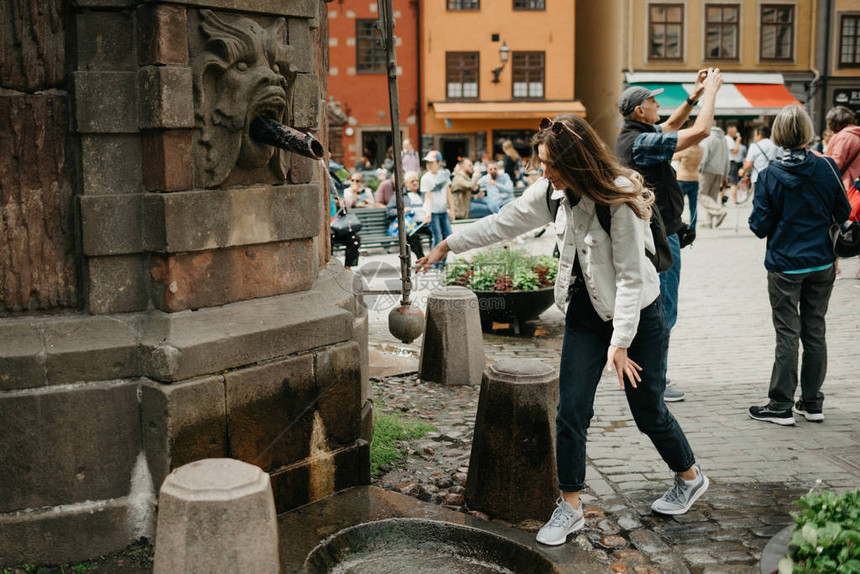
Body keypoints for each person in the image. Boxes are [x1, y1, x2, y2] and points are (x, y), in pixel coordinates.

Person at [416, 115, 708, 545]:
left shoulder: (619, 199)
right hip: (586, 314)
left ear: (576, 161)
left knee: (648, 413)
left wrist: (621, 343)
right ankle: (570, 507)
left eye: (550, 163)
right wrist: (449, 243)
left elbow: (630, 277)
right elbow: (503, 221)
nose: (543, 171)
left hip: (639, 317)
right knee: (571, 411)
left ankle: (690, 475)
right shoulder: (551, 194)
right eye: (542, 162)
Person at [615, 68, 724, 403]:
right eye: (653, 101)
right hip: (660, 237)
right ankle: (654, 383)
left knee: (658, 306)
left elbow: (673, 125)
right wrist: (713, 93)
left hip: (658, 233)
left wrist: (693, 95)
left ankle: (647, 376)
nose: (658, 106)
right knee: (664, 309)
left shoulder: (639, 134)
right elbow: (701, 130)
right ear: (639, 111)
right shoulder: (641, 142)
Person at [748, 105, 850, 426]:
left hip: (785, 264)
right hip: (821, 261)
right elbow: (843, 210)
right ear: (808, 131)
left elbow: (758, 225)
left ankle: (780, 405)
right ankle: (812, 402)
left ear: (778, 134)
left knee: (787, 333)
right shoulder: (828, 167)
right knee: (815, 330)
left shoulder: (769, 175)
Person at [385, 170, 432, 261]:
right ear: (406, 183)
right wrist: (402, 211)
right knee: (411, 234)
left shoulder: (423, 194)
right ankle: (421, 258)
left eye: (417, 180)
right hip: (410, 225)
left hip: (425, 223)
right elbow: (389, 212)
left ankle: (435, 258)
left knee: (438, 231)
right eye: (412, 181)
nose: (415, 183)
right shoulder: (399, 195)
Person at [420, 150, 455, 267]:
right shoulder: (426, 178)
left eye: (432, 162)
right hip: (433, 212)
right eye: (427, 162)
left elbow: (448, 193)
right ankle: (434, 263)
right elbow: (428, 197)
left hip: (443, 211)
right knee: (437, 237)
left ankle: (442, 262)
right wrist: (428, 213)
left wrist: (452, 210)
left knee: (449, 237)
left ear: (439, 163)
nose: (429, 164)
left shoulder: (444, 175)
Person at [697, 126, 729, 228]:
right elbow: (727, 158)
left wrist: (699, 168)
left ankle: (719, 212)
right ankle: (709, 222)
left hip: (707, 170)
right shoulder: (724, 139)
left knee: (701, 195)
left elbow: (704, 155)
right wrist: (725, 174)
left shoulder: (708, 138)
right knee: (712, 196)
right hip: (720, 171)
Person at [825, 106, 860, 192]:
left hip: (844, 185)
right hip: (856, 185)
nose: (829, 126)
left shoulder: (843, 137)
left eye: (829, 122)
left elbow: (835, 163)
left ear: (836, 122)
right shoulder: (856, 134)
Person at [329, 180, 361, 270]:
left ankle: (348, 266)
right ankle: (330, 265)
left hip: (339, 227)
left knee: (355, 238)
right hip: (328, 230)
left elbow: (344, 214)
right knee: (329, 236)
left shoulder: (335, 198)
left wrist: (341, 205)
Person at [672, 141, 703, 229]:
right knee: (693, 206)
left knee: (678, 204)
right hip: (694, 178)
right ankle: (693, 227)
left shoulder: (685, 149)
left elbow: (673, 156)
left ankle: (676, 225)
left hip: (683, 178)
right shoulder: (701, 149)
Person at [739, 126, 778, 191]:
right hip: (773, 178)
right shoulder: (775, 145)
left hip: (758, 177)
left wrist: (743, 170)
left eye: (754, 135)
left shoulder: (754, 146)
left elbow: (749, 164)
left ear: (759, 135)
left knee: (759, 200)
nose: (754, 137)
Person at [726, 125, 747, 203]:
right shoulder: (730, 139)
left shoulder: (725, 139)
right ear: (731, 132)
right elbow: (735, 151)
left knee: (725, 181)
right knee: (734, 181)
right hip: (731, 161)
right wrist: (738, 142)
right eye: (735, 131)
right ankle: (735, 200)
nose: (736, 133)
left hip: (726, 162)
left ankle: (721, 199)